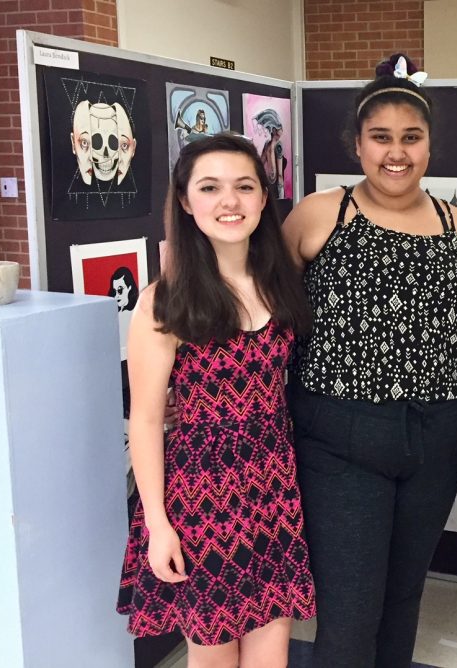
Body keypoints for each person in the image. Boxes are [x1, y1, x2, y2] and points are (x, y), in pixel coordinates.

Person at [281, 54, 457, 667]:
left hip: (439, 433)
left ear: (430, 146)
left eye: (411, 138)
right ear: (357, 144)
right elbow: (271, 312)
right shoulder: (320, 215)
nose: (395, 152)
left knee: (404, 600)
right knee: (349, 611)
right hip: (340, 436)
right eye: (381, 138)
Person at [117, 133, 315, 667]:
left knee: (272, 656)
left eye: (244, 187)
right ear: (185, 201)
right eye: (210, 187)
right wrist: (158, 524)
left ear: (262, 197)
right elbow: (146, 420)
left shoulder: (281, 284)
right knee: (213, 659)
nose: (230, 201)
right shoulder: (165, 300)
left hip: (273, 490)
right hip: (201, 501)